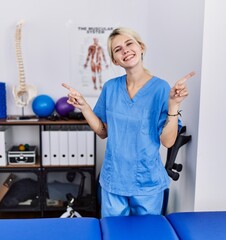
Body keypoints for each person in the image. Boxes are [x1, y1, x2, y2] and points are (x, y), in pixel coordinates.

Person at [62, 27, 195, 217]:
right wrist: (84, 107)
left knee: (145, 235)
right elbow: (102, 131)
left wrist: (173, 105)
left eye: (129, 43)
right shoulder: (111, 88)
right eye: (117, 49)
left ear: (141, 47)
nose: (125, 50)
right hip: (114, 179)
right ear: (115, 60)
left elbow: (168, 141)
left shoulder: (160, 88)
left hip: (147, 181)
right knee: (115, 234)